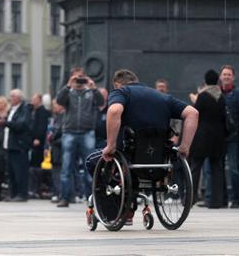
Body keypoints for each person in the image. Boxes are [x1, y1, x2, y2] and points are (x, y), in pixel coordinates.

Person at [98, 69, 198, 224]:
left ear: (117, 84)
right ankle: (128, 208)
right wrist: (185, 147)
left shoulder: (121, 93)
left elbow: (114, 110)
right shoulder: (162, 96)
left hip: (128, 155)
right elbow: (193, 113)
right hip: (158, 159)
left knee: (93, 161)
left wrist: (110, 146)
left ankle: (116, 211)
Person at [55, 67, 104, 208]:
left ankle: (92, 196)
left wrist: (94, 88)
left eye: (81, 77)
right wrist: (68, 85)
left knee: (89, 166)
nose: (79, 80)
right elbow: (59, 101)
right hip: (69, 132)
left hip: (87, 132)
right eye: (76, 77)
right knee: (66, 167)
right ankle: (65, 197)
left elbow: (101, 103)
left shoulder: (90, 92)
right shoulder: (68, 92)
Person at [190, 70, 227, 209]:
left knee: (195, 168)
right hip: (218, 137)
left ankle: (191, 198)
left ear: (205, 81)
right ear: (217, 80)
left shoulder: (203, 96)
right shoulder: (221, 97)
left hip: (202, 137)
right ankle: (216, 201)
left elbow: (195, 114)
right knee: (217, 169)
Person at [220, 64, 239, 208]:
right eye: (224, 74)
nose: (226, 77)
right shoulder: (216, 93)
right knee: (218, 169)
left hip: (233, 138)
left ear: (233, 77)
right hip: (219, 138)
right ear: (220, 76)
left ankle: (235, 198)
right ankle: (222, 198)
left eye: (229, 75)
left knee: (233, 169)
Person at [0, 89, 32, 202]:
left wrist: (6, 123)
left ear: (19, 98)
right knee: (11, 171)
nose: (10, 98)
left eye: (12, 96)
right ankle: (13, 193)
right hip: (10, 145)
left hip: (19, 146)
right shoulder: (11, 110)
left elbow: (21, 124)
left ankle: (22, 194)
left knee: (20, 171)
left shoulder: (25, 108)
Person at [29, 93, 51, 198]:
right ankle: (34, 188)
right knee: (33, 166)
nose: (32, 101)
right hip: (33, 140)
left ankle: (37, 189)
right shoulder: (33, 110)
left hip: (39, 142)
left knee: (37, 166)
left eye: (34, 99)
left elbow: (42, 126)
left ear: (40, 100)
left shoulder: (43, 112)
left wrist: (37, 138)